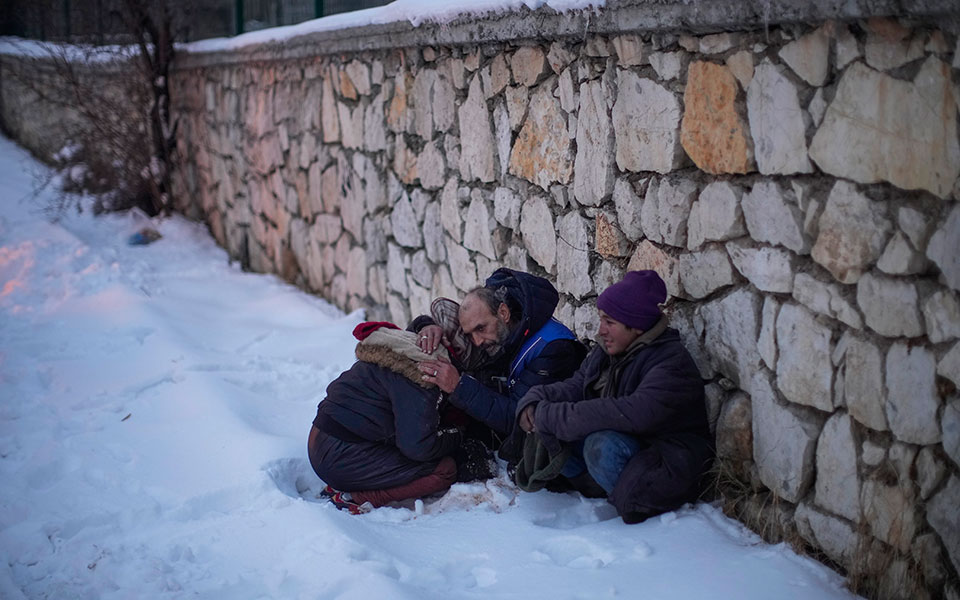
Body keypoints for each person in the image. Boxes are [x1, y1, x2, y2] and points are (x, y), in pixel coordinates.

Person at [515, 270, 713, 523]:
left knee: (601, 446)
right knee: (550, 428)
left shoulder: (671, 363)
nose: (601, 330)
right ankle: (596, 489)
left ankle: (632, 503)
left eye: (609, 322)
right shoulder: (608, 350)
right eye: (601, 320)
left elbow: (631, 413)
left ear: (636, 326)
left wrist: (553, 415)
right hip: (633, 447)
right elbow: (577, 385)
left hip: (665, 464)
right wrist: (535, 399)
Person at [414, 268, 587, 462]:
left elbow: (519, 418)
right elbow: (451, 334)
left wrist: (458, 387)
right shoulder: (507, 333)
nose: (477, 341)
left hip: (560, 455)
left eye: (481, 328)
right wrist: (426, 326)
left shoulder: (553, 349)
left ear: (504, 313)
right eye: (470, 334)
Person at [307, 322, 468, 514]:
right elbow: (419, 447)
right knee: (445, 470)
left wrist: (427, 324)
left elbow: (417, 323)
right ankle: (357, 497)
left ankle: (350, 482)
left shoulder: (403, 348)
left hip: (320, 439)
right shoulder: (424, 379)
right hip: (340, 456)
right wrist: (459, 434)